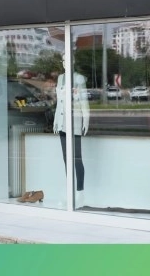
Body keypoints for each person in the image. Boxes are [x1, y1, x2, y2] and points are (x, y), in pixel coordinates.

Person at [53, 53, 90, 206]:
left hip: (74, 122)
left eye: (67, 60)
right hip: (62, 123)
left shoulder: (79, 78)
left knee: (76, 158)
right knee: (66, 159)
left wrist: (86, 119)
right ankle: (70, 191)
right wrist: (56, 120)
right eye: (63, 60)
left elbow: (83, 101)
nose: (64, 63)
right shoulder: (60, 78)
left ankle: (80, 192)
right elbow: (59, 102)